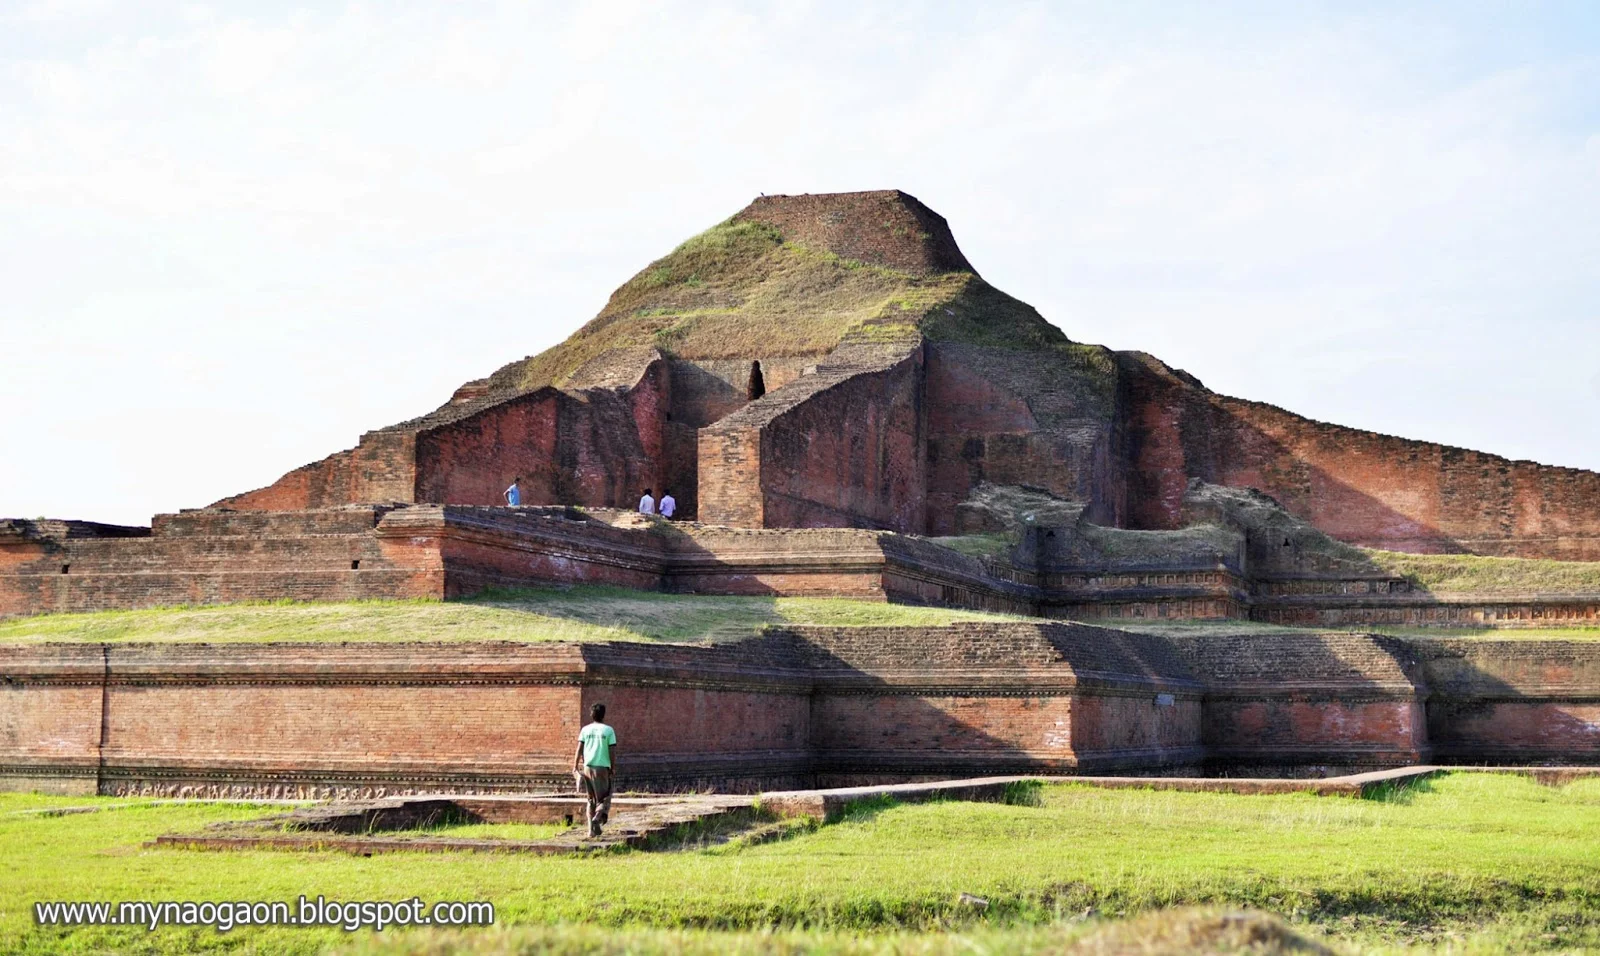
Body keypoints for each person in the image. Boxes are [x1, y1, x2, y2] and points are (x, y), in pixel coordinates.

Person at [573, 703, 617, 838]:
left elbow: (579, 749)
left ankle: (590, 831)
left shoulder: (585, 730)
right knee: (605, 797)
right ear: (604, 715)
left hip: (587, 767)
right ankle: (597, 818)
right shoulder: (608, 730)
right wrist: (613, 767)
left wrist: (575, 766)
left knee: (590, 800)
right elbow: (612, 751)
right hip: (602, 768)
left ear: (591, 715)